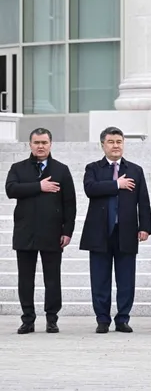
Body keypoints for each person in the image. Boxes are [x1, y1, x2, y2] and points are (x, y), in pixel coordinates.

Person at [81, 126, 151, 334]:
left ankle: (122, 319)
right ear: (103, 145)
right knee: (100, 279)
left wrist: (145, 227)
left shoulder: (135, 170)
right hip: (99, 233)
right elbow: (90, 189)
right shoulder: (93, 168)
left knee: (126, 279)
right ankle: (102, 319)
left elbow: (143, 200)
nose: (115, 146)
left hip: (126, 232)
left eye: (119, 142)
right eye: (111, 142)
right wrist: (116, 184)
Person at [5, 128, 76, 334]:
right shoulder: (18, 168)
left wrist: (67, 231)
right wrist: (39, 186)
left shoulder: (61, 170)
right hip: (25, 232)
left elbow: (70, 204)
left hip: (52, 233)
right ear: (30, 144)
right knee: (25, 279)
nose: (40, 146)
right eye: (36, 142)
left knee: (52, 279)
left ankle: (52, 318)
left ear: (50, 144)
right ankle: (28, 319)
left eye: (44, 142)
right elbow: (11, 189)